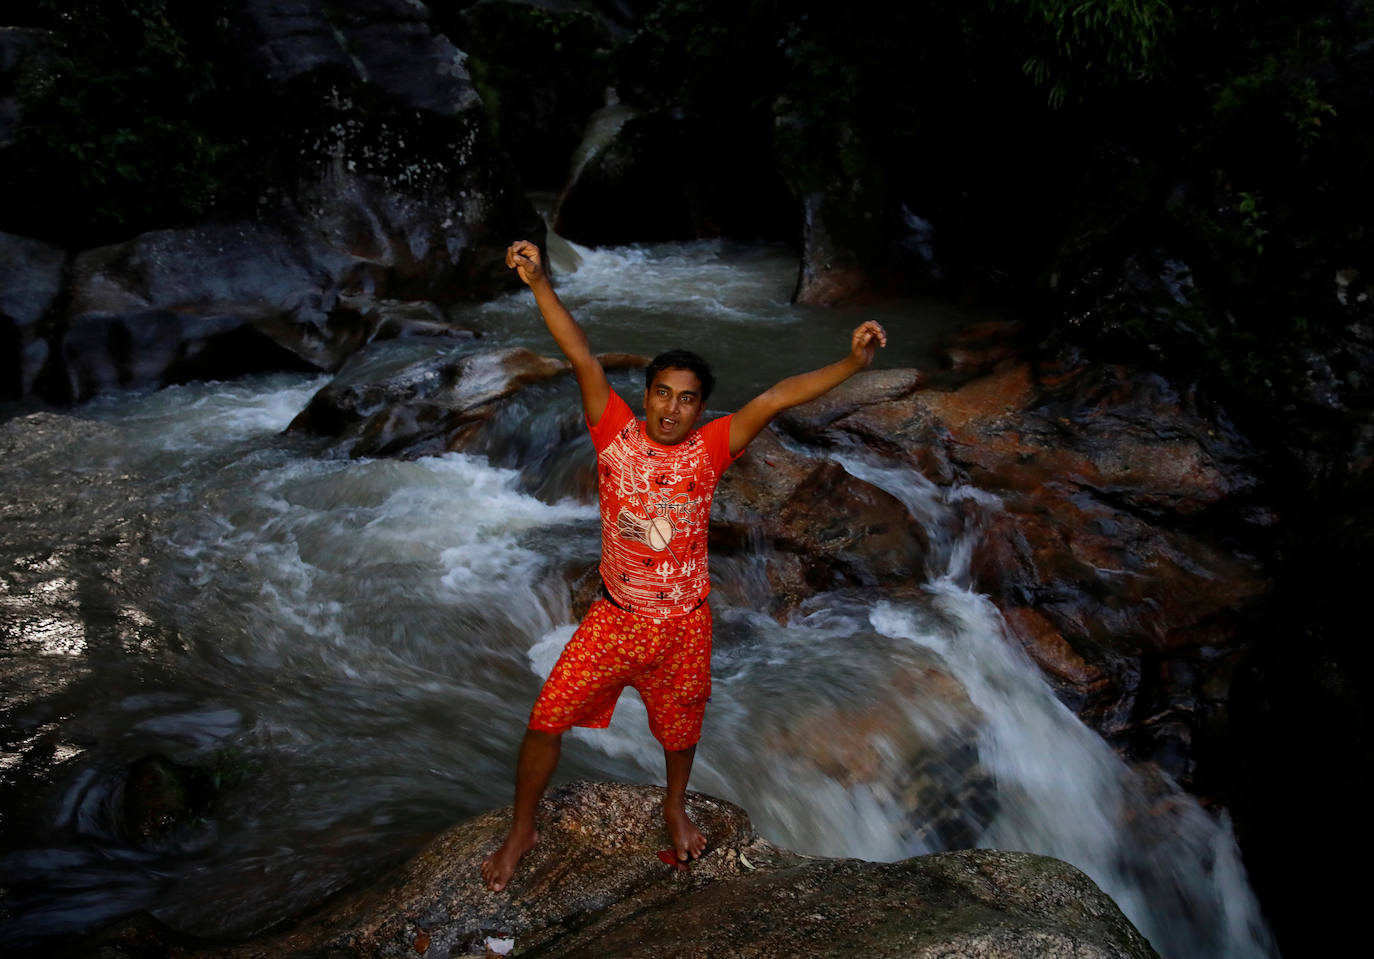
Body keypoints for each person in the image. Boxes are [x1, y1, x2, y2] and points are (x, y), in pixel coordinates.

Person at [481, 239, 886, 892]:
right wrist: (538, 282)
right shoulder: (613, 431)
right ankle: (522, 827)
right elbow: (580, 353)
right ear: (645, 394)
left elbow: (780, 394)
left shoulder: (711, 448)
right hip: (613, 619)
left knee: (679, 732)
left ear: (703, 407)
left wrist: (852, 360)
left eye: (687, 398)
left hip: (683, 626)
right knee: (544, 719)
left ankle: (675, 806)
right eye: (662, 394)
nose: (672, 408)